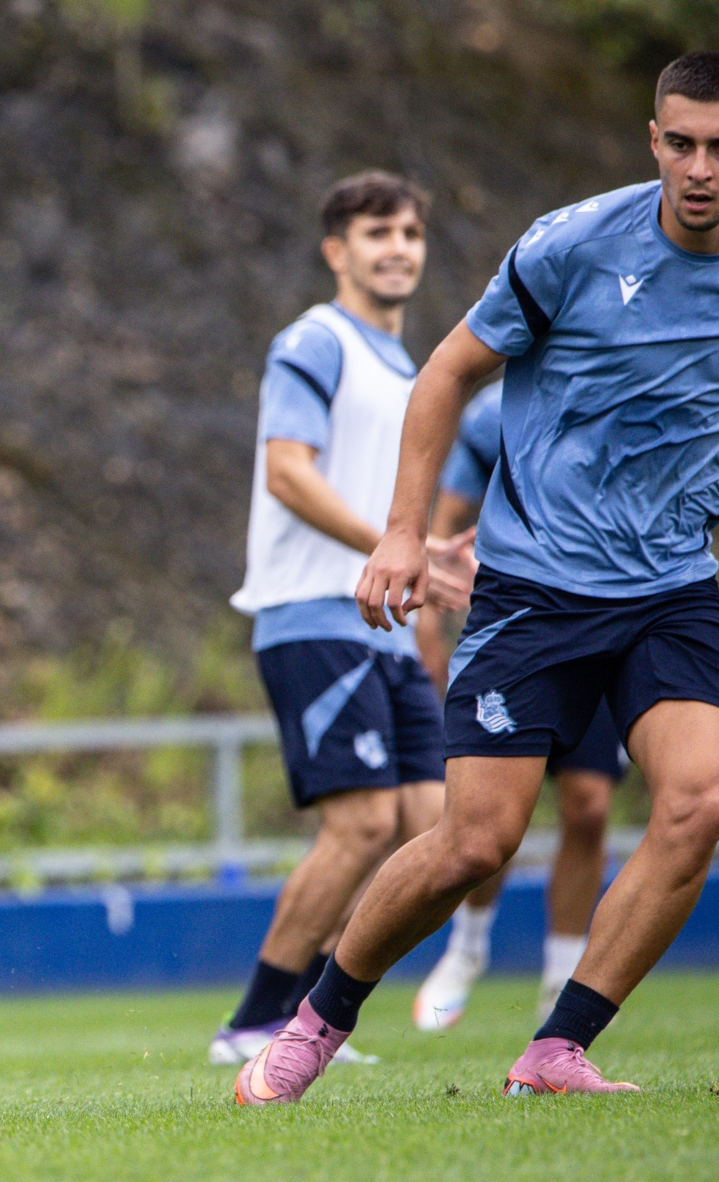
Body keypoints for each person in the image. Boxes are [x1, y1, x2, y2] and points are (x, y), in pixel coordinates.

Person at [236, 51, 719, 1106]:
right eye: (681, 143)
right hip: (533, 584)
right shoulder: (570, 246)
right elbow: (448, 375)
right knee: (476, 840)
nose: (700, 167)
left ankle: (556, 1048)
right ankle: (316, 1021)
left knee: (699, 802)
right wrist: (404, 535)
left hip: (670, 590)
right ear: (653, 141)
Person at [213, 172, 475, 1067]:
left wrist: (432, 560)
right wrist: (396, 545)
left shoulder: (412, 368)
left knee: (431, 825)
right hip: (311, 613)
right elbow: (288, 470)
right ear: (338, 252)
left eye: (409, 232)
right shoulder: (316, 341)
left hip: (386, 625)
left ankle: (312, 1012)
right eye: (376, 234)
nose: (397, 247)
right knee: (361, 822)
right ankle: (255, 1022)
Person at [410, 381, 627, 1030]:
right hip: (515, 627)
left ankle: (562, 978)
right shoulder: (492, 412)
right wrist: (428, 618)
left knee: (589, 805)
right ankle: (468, 950)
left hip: (607, 618)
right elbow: (446, 521)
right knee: (492, 818)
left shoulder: (629, 384)